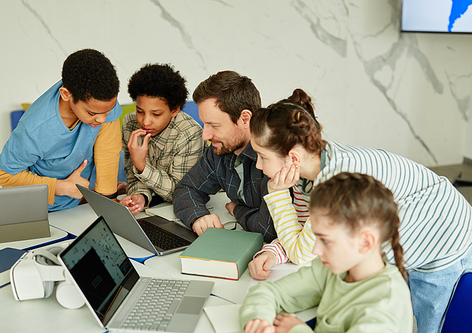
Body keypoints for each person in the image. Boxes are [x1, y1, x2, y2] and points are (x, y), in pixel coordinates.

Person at [247, 88, 472, 333]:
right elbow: (307, 234)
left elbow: (303, 251)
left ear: (293, 157)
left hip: (442, 235)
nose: (258, 165)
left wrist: (278, 195)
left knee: (427, 326)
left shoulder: (336, 179)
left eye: (261, 156)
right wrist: (275, 250)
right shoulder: (312, 166)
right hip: (418, 224)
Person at [240, 172, 413, 333]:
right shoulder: (335, 267)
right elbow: (269, 292)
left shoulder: (386, 306)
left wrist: (296, 330)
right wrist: (258, 320)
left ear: (365, 242)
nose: (316, 250)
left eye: (325, 240)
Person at [0, 49, 122, 211]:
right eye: (92, 113)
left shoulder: (102, 99)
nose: (102, 119)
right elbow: (3, 174)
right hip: (46, 208)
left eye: (108, 111)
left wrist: (109, 201)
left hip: (87, 198)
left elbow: (108, 152)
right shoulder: (35, 129)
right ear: (66, 94)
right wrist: (61, 187)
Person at [172, 71, 276, 243]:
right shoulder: (221, 150)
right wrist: (198, 217)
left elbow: (268, 229)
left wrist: (236, 210)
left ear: (245, 119)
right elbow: (186, 188)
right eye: (204, 124)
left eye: (213, 125)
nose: (205, 135)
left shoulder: (274, 156)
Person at [120, 63, 204, 215]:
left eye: (156, 114)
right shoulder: (130, 123)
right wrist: (140, 197)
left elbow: (181, 193)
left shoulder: (189, 133)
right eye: (140, 111)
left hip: (187, 211)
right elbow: (132, 177)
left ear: (174, 110)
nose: (145, 121)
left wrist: (142, 166)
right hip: (154, 210)